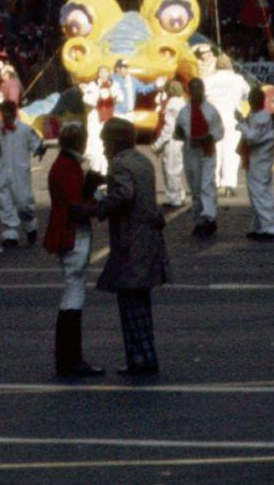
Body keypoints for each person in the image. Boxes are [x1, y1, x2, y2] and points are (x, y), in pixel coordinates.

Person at [95, 118, 169, 379]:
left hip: (130, 240)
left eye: (105, 142)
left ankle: (138, 359)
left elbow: (124, 195)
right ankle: (146, 355)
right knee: (142, 303)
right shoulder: (143, 161)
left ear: (116, 141)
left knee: (130, 303)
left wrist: (100, 205)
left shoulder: (119, 163)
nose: (103, 148)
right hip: (148, 239)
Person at [44, 121, 103, 380]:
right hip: (72, 232)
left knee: (73, 291)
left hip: (66, 230)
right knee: (74, 292)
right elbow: (76, 204)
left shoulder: (64, 164)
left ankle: (69, 357)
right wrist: (96, 201)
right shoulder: (68, 167)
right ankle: (70, 358)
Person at [173, 75, 223, 238]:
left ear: (202, 90)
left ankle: (209, 217)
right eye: (192, 89)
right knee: (195, 186)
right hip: (190, 151)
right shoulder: (183, 112)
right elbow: (178, 132)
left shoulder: (210, 111)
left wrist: (208, 138)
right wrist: (179, 133)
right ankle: (199, 219)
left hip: (206, 151)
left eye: (198, 88)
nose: (195, 92)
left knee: (206, 184)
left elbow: (219, 131)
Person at [0, 98, 42, 253]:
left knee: (23, 202)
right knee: (5, 203)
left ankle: (30, 225)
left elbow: (36, 144)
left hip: (20, 173)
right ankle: (10, 233)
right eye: (2, 114)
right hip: (3, 172)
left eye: (8, 113)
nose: (4, 117)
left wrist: (40, 149)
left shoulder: (25, 130)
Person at [235, 84, 274, 241]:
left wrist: (241, 125)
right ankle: (259, 225)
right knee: (255, 193)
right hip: (255, 160)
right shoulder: (257, 115)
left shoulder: (262, 117)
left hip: (260, 160)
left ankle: (271, 226)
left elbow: (253, 137)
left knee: (260, 192)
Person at [206, 57, 247, 197]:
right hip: (232, 118)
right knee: (231, 151)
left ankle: (214, 182)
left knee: (214, 151)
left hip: (213, 119)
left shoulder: (209, 80)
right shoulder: (238, 79)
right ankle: (229, 183)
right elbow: (247, 92)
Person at [153, 82, 188, 212]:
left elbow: (169, 127)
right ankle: (178, 194)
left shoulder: (172, 104)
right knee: (176, 167)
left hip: (173, 139)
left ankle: (175, 197)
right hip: (181, 139)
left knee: (171, 168)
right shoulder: (182, 102)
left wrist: (158, 144)